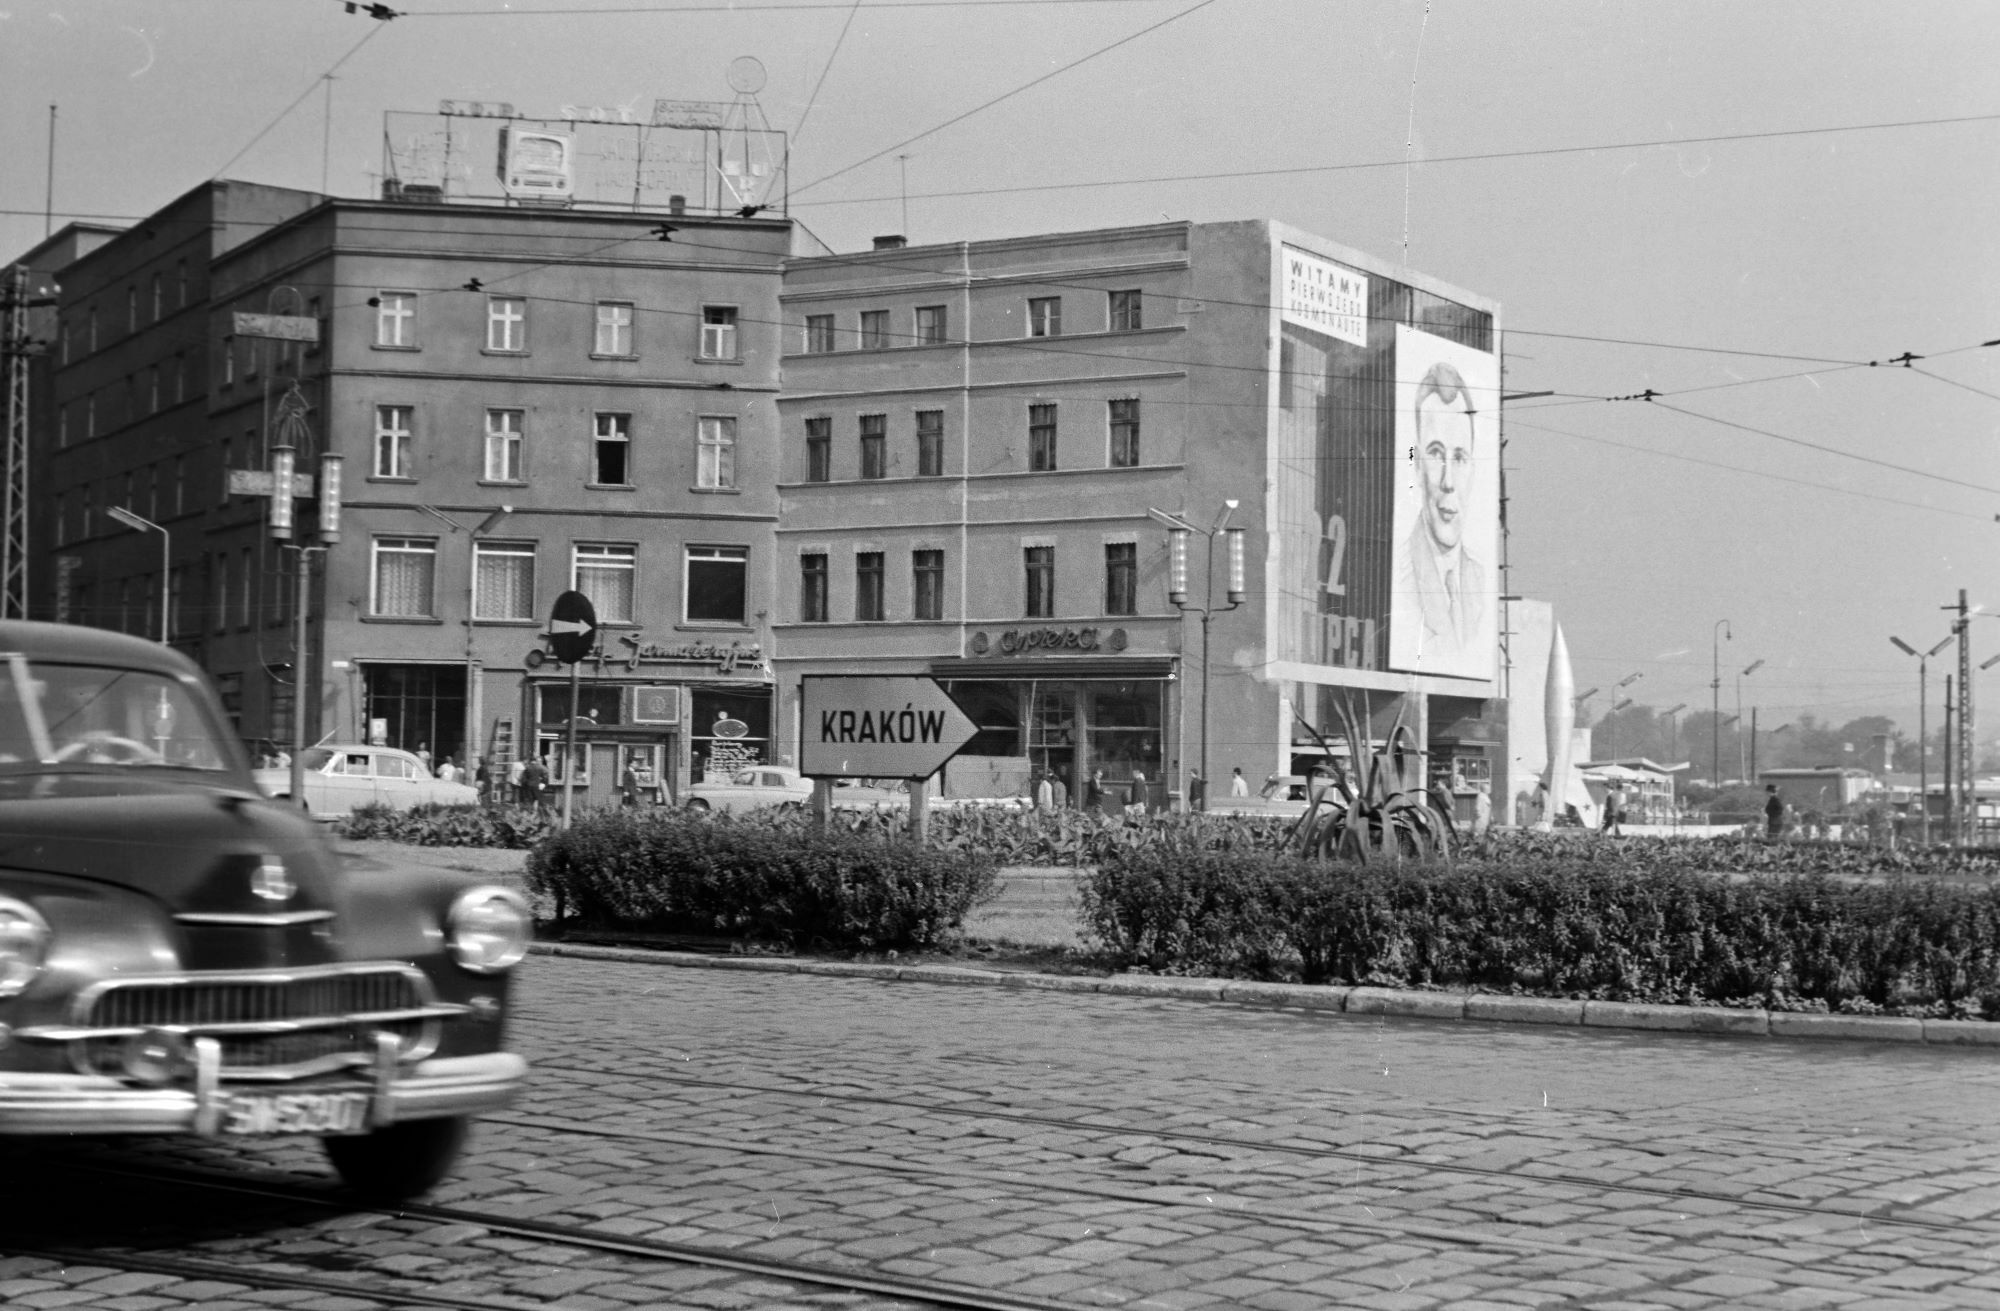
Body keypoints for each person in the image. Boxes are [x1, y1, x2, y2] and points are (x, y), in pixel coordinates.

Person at [1391, 360, 1489, 672]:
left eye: (1459, 458)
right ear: (1417, 466)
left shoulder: (1480, 581)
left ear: (1472, 470)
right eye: (1435, 454)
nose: (1448, 481)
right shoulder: (1402, 577)